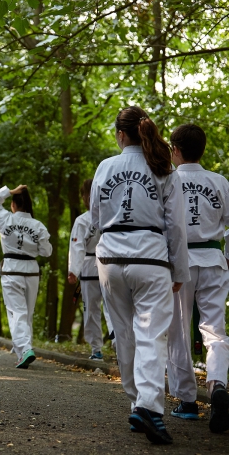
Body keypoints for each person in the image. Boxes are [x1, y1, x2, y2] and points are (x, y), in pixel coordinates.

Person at [91, 106, 189, 444]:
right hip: (150, 258)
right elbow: (175, 226)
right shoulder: (163, 167)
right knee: (151, 335)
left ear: (120, 134)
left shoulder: (106, 166)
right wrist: (179, 269)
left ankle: (137, 403)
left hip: (110, 256)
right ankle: (147, 407)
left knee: (124, 334)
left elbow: (94, 218)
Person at [165, 123, 229, 433]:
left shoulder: (168, 181)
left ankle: (187, 401)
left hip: (179, 263)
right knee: (215, 329)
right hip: (214, 260)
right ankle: (217, 384)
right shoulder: (219, 182)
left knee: (177, 328)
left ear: (174, 150)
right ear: (201, 150)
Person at [0, 184, 52, 369]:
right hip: (31, 271)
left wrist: (8, 191)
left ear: (13, 204)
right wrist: (34, 248)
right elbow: (47, 252)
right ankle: (22, 348)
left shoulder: (5, 218)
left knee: (17, 312)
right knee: (27, 313)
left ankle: (25, 349)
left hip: (11, 270)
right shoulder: (38, 225)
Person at [68, 179, 114, 360]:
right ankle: (117, 338)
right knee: (113, 307)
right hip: (110, 264)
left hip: (88, 267)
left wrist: (73, 270)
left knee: (92, 309)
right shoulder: (111, 216)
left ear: (85, 197)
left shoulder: (83, 220)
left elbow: (77, 247)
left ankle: (96, 349)